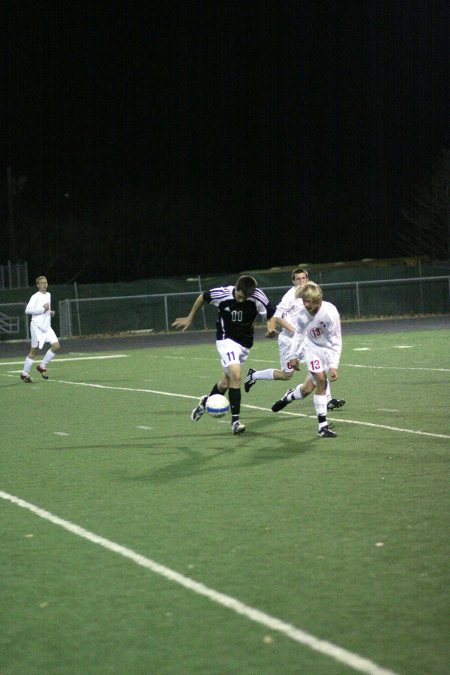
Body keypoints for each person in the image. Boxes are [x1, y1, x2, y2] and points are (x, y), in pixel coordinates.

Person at [172, 275, 278, 435]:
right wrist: (190, 317)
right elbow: (203, 296)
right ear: (236, 288)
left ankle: (205, 402)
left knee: (224, 383)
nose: (242, 301)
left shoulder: (257, 296)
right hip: (226, 339)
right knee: (236, 375)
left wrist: (271, 328)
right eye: (240, 296)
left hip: (245, 344)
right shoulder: (223, 293)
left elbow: (270, 314)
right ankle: (235, 421)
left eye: (246, 298)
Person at [244, 267, 345, 411]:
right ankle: (254, 375)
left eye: (303, 278)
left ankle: (327, 401)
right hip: (289, 341)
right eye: (298, 279)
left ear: (307, 278)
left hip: (306, 341)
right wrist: (295, 330)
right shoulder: (290, 296)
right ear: (293, 281)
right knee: (286, 375)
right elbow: (277, 316)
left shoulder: (310, 292)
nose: (301, 281)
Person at [271, 281, 342, 437]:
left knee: (306, 390)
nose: (306, 304)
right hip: (312, 350)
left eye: (309, 301)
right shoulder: (303, 315)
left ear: (318, 300)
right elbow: (299, 335)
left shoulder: (330, 312)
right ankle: (322, 427)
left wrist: (334, 364)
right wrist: (293, 355)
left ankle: (289, 396)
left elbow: (336, 339)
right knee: (322, 381)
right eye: (304, 301)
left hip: (326, 350)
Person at [20, 275, 60, 382]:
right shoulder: (35, 296)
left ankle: (42, 366)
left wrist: (50, 312)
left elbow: (46, 309)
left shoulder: (49, 295)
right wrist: (42, 309)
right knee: (34, 351)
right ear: (38, 285)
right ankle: (24, 373)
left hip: (47, 327)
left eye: (45, 282)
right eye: (42, 283)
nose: (44, 285)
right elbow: (27, 311)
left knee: (56, 346)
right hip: (37, 327)